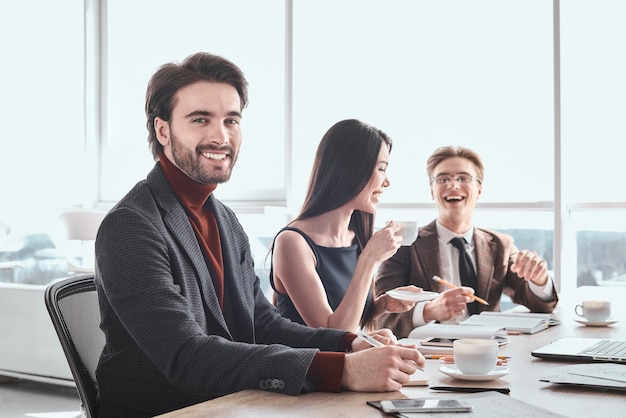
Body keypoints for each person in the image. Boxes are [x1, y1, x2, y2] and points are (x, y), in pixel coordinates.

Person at [93, 52, 424, 417]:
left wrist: (350, 343)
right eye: (200, 119)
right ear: (163, 130)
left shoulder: (224, 220)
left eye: (231, 120)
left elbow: (262, 324)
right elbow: (186, 356)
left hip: (232, 405)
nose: (220, 136)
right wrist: (340, 369)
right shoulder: (131, 225)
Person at [373, 146, 559, 338]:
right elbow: (379, 317)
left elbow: (541, 305)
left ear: (479, 190)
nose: (453, 185)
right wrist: (428, 311)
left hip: (489, 352)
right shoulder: (405, 245)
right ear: (432, 190)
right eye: (443, 179)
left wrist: (540, 279)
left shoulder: (500, 246)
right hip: (425, 354)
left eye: (463, 178)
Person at [270, 119, 421, 332]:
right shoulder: (292, 243)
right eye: (381, 169)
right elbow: (333, 335)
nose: (386, 182)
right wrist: (369, 259)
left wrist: (380, 306)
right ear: (351, 169)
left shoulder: (354, 236)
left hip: (344, 363)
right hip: (307, 365)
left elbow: (347, 318)